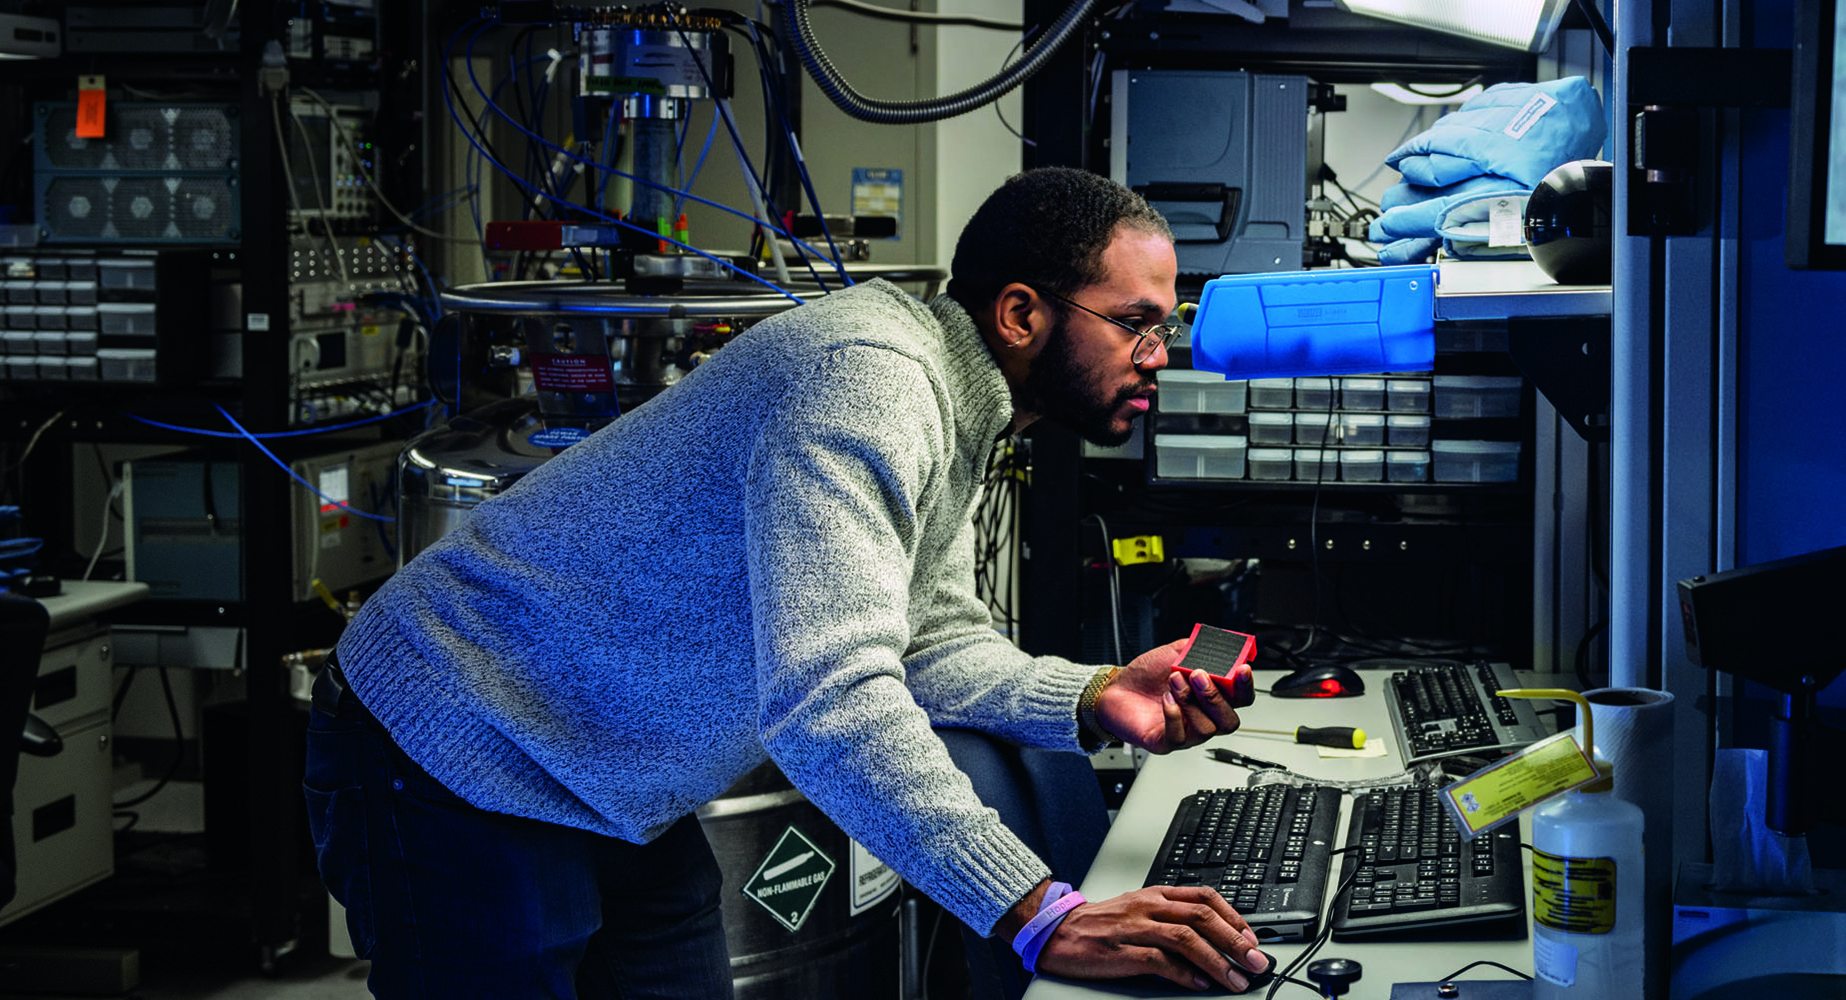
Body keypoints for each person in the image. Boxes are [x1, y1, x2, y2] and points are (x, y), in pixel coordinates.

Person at [307, 166, 1271, 997]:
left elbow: (924, 636)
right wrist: (1037, 914)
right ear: (1022, 315)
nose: (1160, 357)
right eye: (1137, 325)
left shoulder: (956, 398)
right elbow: (833, 700)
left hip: (607, 771)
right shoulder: (873, 382)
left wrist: (1099, 696)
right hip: (454, 748)